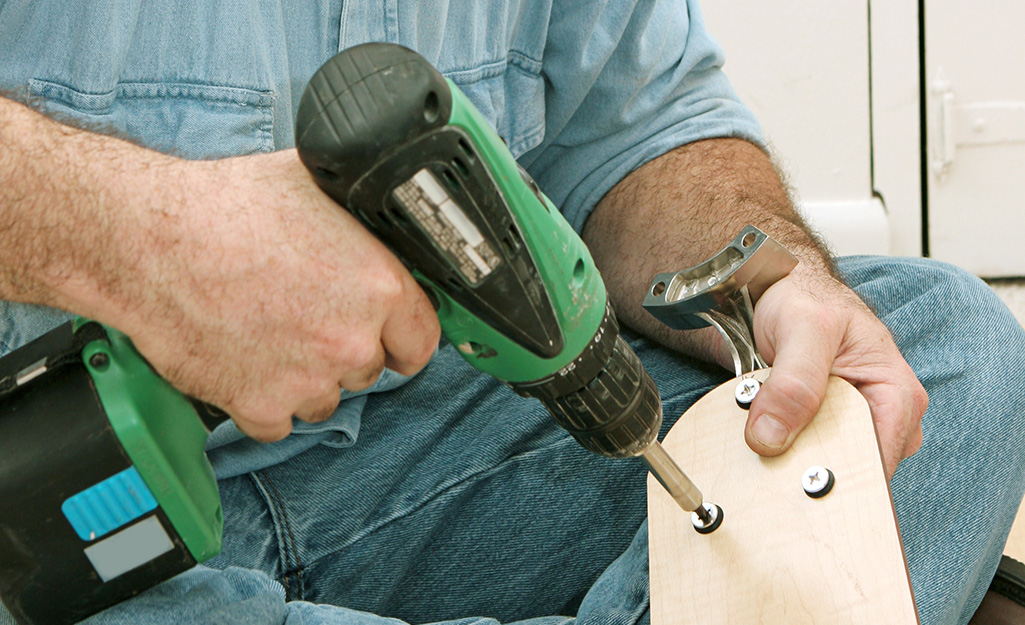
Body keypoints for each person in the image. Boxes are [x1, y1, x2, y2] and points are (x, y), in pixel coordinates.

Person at [1, 1, 1023, 624]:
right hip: (59, 494)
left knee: (935, 352)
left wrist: (774, 283)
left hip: (430, 450)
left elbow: (643, 126)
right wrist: (142, 240)